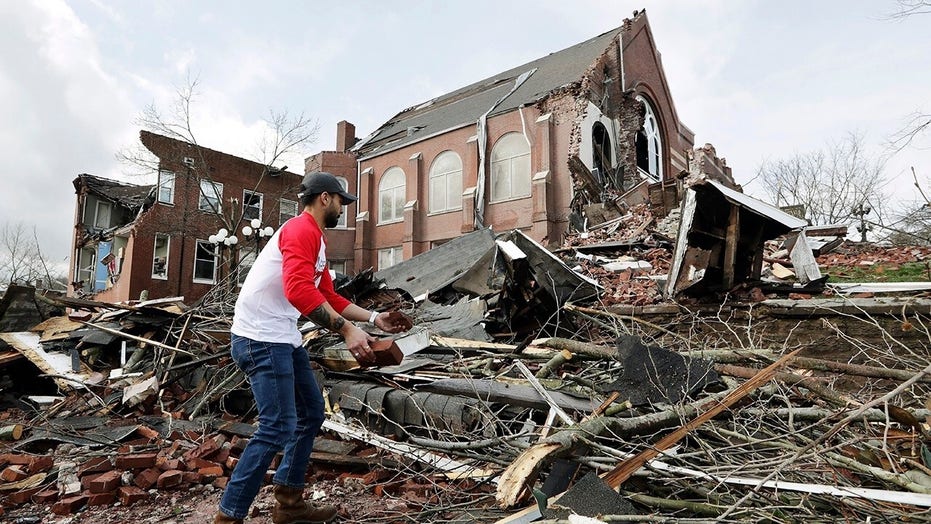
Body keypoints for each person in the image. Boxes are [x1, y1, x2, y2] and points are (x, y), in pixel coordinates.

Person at [214, 172, 411, 524]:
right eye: (340, 201)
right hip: (260, 339)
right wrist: (347, 330)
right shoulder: (300, 230)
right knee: (276, 426)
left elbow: (326, 295)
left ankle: (288, 505)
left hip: (281, 337)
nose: (342, 208)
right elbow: (297, 291)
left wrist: (373, 318)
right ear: (324, 198)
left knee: (310, 414)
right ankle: (228, 516)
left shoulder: (315, 240)